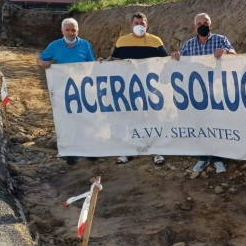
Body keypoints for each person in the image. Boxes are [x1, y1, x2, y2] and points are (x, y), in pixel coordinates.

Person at [171, 13, 236, 174]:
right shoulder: (189, 44)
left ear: (211, 25)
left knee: (215, 124)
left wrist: (226, 53)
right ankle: (202, 158)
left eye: (205, 22)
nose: (202, 25)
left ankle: (217, 158)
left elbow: (235, 56)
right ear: (195, 27)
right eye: (199, 23)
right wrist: (176, 56)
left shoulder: (220, 40)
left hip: (216, 91)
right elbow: (180, 63)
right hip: (196, 94)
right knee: (198, 125)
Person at [108, 12, 169, 166]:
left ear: (147, 25)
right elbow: (114, 60)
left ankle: (157, 150)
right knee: (130, 118)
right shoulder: (122, 41)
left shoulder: (156, 41)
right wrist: (102, 62)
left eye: (142, 23)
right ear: (131, 24)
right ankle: (129, 150)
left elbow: (166, 62)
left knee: (153, 118)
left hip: (151, 89)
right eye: (136, 23)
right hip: (129, 88)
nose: (139, 26)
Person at [37, 17, 96, 165]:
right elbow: (40, 58)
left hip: (83, 89)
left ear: (78, 31)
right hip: (64, 90)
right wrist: (43, 63)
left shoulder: (85, 45)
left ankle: (90, 150)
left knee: (86, 119)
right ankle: (72, 152)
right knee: (69, 121)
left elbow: (92, 64)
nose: (71, 33)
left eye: (73, 30)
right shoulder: (55, 45)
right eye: (68, 30)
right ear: (62, 31)